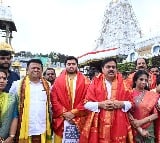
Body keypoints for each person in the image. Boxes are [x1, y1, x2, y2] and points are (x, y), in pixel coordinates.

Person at [79, 58, 134, 143]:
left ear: (116, 69)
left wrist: (121, 104)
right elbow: (86, 104)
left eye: (113, 67)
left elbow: (131, 103)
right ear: (102, 69)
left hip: (119, 123)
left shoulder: (124, 84)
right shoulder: (94, 83)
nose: (111, 69)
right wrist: (100, 104)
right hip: (100, 123)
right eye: (108, 67)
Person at [9, 59, 52, 143]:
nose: (36, 70)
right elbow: (10, 107)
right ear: (27, 70)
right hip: (24, 127)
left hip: (42, 127)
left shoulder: (47, 85)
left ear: (42, 71)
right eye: (33, 68)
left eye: (38, 68)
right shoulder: (17, 84)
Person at [50, 56, 90, 143]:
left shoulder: (85, 81)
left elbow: (88, 98)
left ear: (77, 65)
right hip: (62, 118)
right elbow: (54, 98)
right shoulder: (58, 81)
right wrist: (65, 113)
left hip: (79, 118)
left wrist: (74, 113)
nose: (71, 66)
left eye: (73, 64)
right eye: (69, 64)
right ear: (65, 65)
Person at [129, 70, 159, 142]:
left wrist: (140, 122)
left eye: (146, 80)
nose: (144, 82)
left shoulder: (151, 95)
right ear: (135, 81)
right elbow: (127, 113)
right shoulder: (129, 94)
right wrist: (139, 129)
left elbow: (156, 114)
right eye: (141, 79)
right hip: (133, 128)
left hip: (148, 128)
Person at [0, 70, 18, 143]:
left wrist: (11, 136)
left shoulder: (11, 98)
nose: (2, 81)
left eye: (4, 78)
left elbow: (15, 117)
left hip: (5, 138)